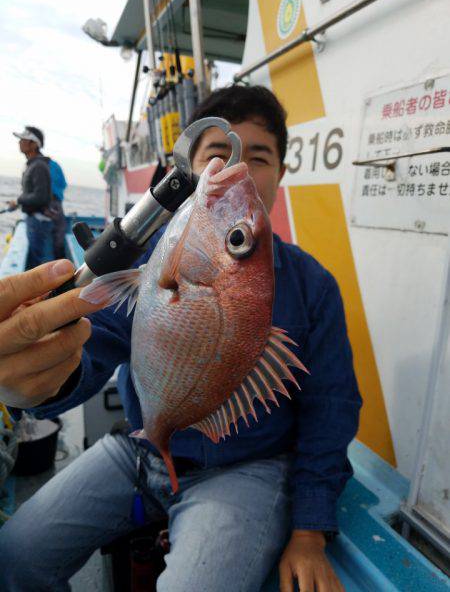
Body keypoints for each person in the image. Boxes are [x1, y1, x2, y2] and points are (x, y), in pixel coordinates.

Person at [0, 86, 361, 592]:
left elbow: (332, 407)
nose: (241, 169)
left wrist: (309, 530)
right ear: (186, 173)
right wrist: (39, 379)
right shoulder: (144, 265)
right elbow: (92, 346)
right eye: (219, 153)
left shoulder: (314, 286)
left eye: (260, 157)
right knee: (16, 554)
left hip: (244, 469)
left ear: (280, 173)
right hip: (140, 448)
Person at [9, 126, 54, 269]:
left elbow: (41, 197)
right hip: (35, 220)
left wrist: (18, 200)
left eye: (24, 139)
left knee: (38, 261)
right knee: (37, 259)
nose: (20, 142)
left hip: (37, 222)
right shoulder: (35, 165)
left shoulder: (38, 166)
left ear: (34, 144)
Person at [48, 158, 68, 259]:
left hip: (50, 203)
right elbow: (64, 184)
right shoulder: (55, 165)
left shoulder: (37, 165)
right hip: (56, 203)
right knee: (60, 231)